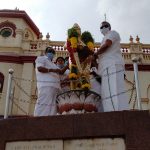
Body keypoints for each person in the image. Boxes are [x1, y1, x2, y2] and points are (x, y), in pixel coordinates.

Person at [93, 21, 129, 112]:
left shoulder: (112, 33)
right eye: (101, 27)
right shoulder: (103, 39)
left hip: (111, 65)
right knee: (111, 91)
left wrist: (95, 54)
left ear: (109, 27)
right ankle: (120, 111)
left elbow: (108, 44)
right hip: (107, 67)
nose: (103, 28)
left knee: (112, 90)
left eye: (105, 26)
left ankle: (113, 112)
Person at [34, 47, 69, 116]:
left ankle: (50, 119)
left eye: (53, 52)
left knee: (53, 106)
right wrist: (52, 70)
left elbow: (61, 72)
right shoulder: (41, 58)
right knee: (43, 102)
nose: (51, 53)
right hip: (46, 85)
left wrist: (69, 64)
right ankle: (38, 118)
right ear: (46, 52)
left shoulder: (53, 64)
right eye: (50, 51)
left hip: (55, 87)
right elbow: (40, 68)